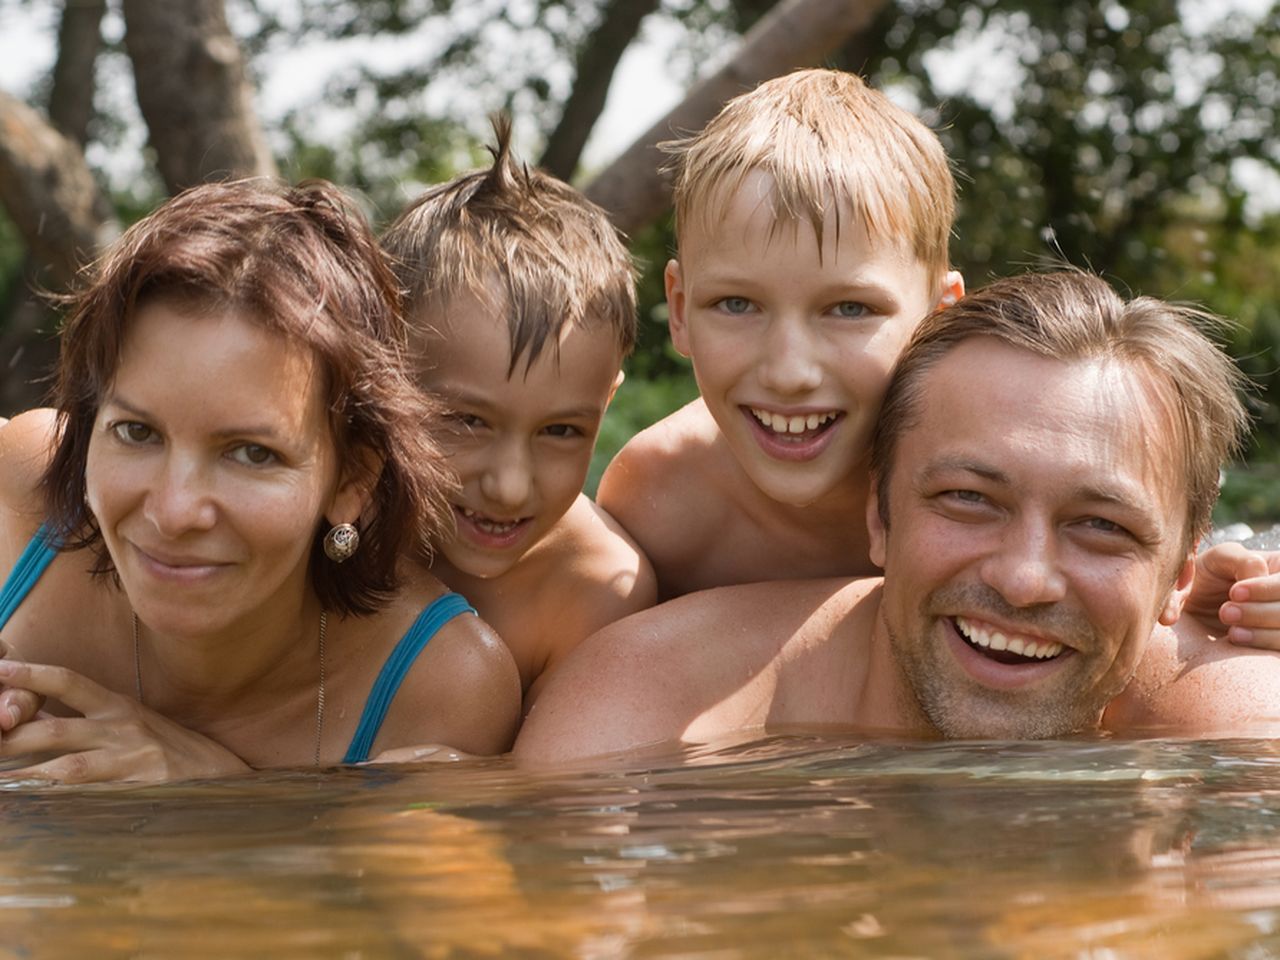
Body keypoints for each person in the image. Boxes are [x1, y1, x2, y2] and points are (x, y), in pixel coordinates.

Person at [514, 271, 1280, 765]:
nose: (1023, 580)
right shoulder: (652, 708)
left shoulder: (1233, 725)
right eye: (970, 500)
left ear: (1184, 567)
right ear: (878, 514)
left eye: (1102, 526)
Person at [0, 179, 521, 782]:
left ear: (351, 479)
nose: (174, 511)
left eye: (251, 453)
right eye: (137, 433)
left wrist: (224, 788)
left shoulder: (439, 685)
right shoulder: (18, 494)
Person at [596, 68, 965, 601]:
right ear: (679, 310)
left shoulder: (988, 497)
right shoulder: (660, 500)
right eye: (737, 304)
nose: (789, 373)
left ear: (938, 317)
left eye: (849, 308)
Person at [380, 118, 656, 710]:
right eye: (466, 420)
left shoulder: (594, 590)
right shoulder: (327, 525)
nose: (508, 487)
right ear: (384, 379)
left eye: (561, 431)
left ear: (606, 402)